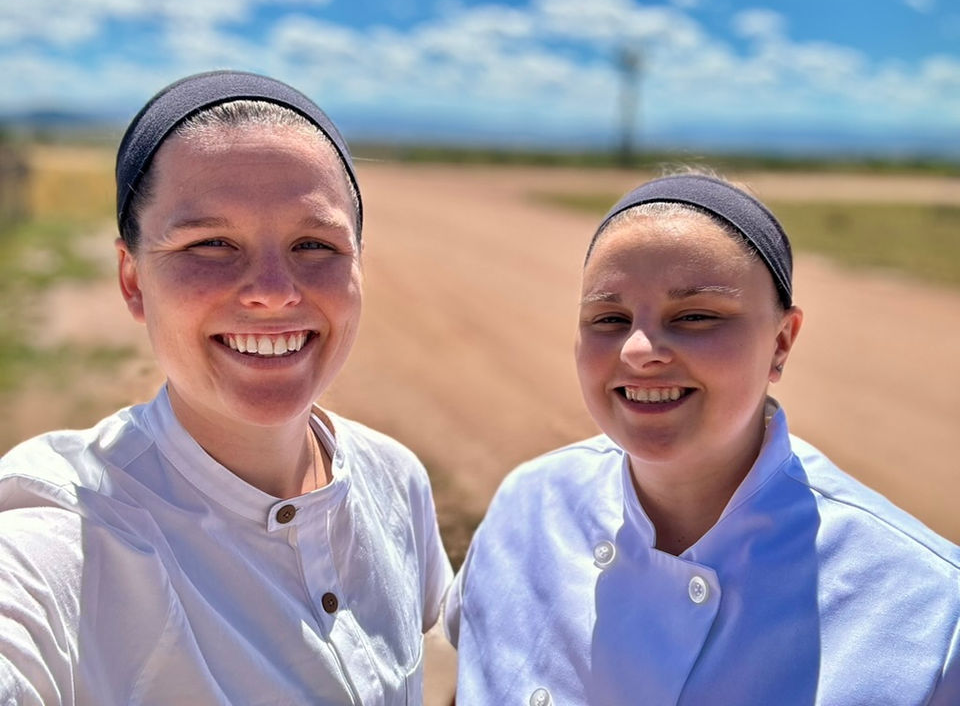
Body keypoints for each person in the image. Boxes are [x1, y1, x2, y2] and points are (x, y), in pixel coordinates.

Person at [0, 71, 451, 705]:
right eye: (211, 243)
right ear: (132, 279)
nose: (272, 288)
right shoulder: (71, 523)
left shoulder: (395, 480)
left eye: (314, 244)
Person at [444, 172, 960, 704]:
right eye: (609, 318)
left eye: (695, 315)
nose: (639, 349)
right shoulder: (526, 509)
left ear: (781, 343)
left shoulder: (927, 610)